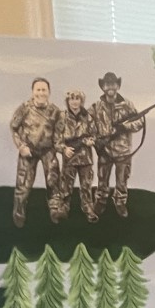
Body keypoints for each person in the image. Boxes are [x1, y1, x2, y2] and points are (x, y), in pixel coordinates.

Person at [91, 71, 146, 218]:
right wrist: (96, 140)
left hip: (123, 151)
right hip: (105, 150)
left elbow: (139, 122)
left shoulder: (127, 105)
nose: (110, 87)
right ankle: (101, 201)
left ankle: (120, 202)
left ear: (118, 86)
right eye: (107, 84)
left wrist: (124, 127)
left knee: (122, 180)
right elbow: (88, 123)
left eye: (113, 84)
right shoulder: (96, 106)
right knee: (102, 179)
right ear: (103, 87)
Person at [9, 77, 60, 227]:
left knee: (53, 180)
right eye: (38, 90)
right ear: (33, 92)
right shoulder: (24, 108)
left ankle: (55, 211)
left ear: (49, 92)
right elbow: (14, 128)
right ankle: (19, 212)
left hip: (48, 150)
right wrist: (21, 146)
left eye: (44, 90)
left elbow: (59, 132)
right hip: (28, 150)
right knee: (23, 183)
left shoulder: (55, 111)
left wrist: (59, 147)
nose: (41, 93)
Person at [51, 87, 98, 223]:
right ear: (67, 101)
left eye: (77, 99)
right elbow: (56, 139)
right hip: (69, 157)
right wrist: (63, 149)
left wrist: (91, 141)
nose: (75, 102)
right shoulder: (62, 117)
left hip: (85, 157)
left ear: (81, 101)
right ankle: (64, 208)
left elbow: (95, 134)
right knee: (66, 185)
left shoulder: (88, 117)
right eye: (72, 99)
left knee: (86, 186)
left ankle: (88, 208)